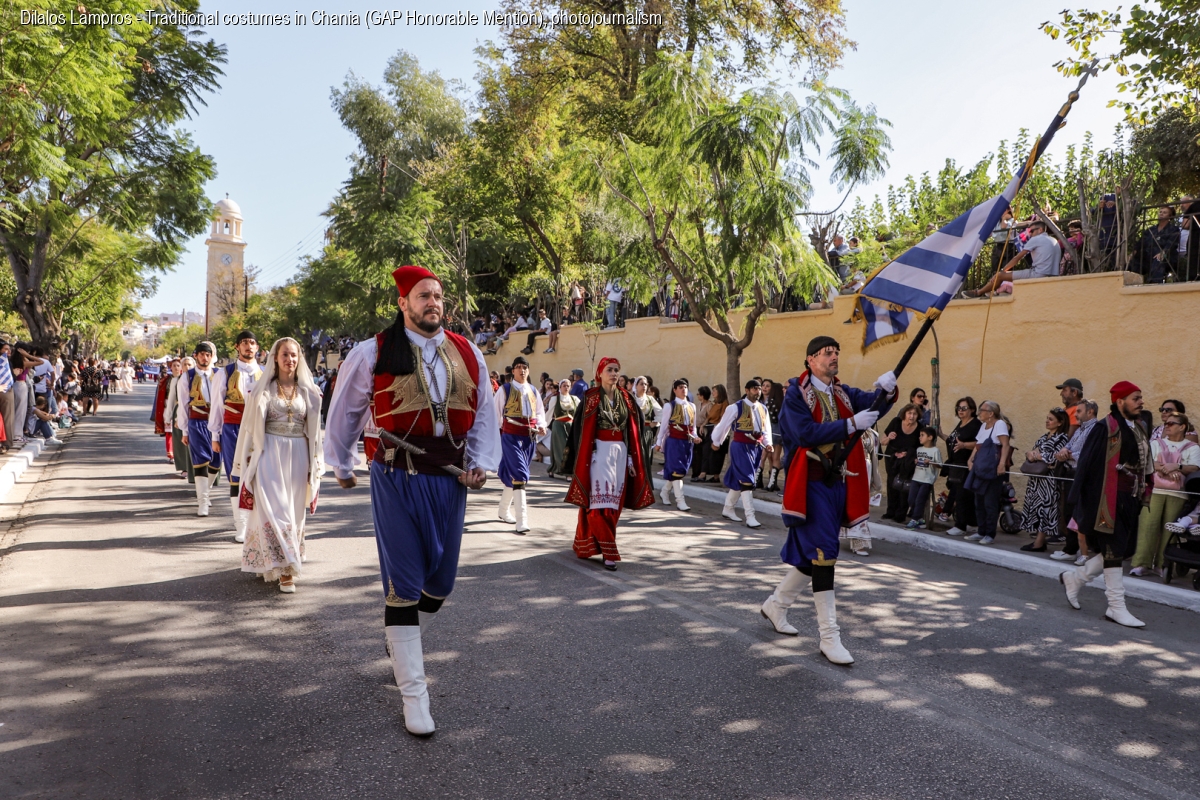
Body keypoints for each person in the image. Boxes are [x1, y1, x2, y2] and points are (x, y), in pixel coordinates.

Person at [324, 265, 499, 737]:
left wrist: (481, 462)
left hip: (451, 480)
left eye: (438, 295)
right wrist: (341, 463)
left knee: (438, 587)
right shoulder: (373, 352)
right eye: (424, 296)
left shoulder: (467, 352)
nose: (433, 303)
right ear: (403, 303)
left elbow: (484, 412)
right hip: (395, 476)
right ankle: (415, 696)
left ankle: (399, 635)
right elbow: (346, 409)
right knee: (403, 586)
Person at [759, 335, 897, 665]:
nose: (834, 357)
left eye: (836, 352)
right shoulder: (796, 394)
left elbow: (873, 405)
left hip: (837, 482)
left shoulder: (842, 392)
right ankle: (829, 636)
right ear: (810, 359)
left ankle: (776, 605)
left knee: (814, 554)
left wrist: (888, 390)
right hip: (809, 483)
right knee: (824, 554)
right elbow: (804, 433)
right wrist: (850, 424)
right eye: (827, 353)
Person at [232, 338, 324, 594]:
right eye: (285, 354)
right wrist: (247, 461)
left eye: (294, 355)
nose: (290, 359)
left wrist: (316, 464)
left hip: (299, 456)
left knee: (293, 513)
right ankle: (286, 570)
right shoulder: (262, 390)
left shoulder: (309, 391)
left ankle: (274, 559)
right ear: (275, 357)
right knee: (276, 510)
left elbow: (315, 433)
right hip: (269, 454)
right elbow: (249, 430)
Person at [1060, 382, 1154, 627]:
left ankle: (1076, 578)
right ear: (1120, 402)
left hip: (1131, 497)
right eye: (1135, 398)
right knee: (1113, 551)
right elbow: (1087, 463)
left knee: (1123, 549)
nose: (1141, 402)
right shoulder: (1105, 428)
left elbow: (1146, 463)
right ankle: (1116, 606)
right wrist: (1080, 502)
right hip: (1108, 499)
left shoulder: (1139, 426)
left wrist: (1146, 489)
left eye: (1140, 397)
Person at [564, 357, 655, 570]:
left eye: (616, 370)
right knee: (598, 504)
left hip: (620, 455)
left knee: (614, 505)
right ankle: (609, 551)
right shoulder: (590, 397)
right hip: (598, 454)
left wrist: (632, 456)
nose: (614, 373)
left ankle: (589, 543)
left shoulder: (627, 398)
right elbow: (580, 430)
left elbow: (634, 428)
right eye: (609, 370)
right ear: (600, 373)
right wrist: (587, 455)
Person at [209, 331, 263, 543]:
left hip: (258, 429)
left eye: (252, 342)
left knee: (259, 474)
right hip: (233, 429)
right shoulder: (225, 373)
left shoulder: (265, 373)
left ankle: (256, 521)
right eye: (244, 343)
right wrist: (215, 435)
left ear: (257, 347)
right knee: (236, 474)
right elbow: (216, 406)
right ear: (237, 347)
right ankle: (240, 524)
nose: (249, 346)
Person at [1130, 412, 1198, 577]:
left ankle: (1163, 564)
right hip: (1154, 490)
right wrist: (1166, 468)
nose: (1166, 426)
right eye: (1166, 423)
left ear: (1182, 427)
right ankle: (1141, 563)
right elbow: (1147, 461)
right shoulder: (1155, 443)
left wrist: (1176, 466)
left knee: (1170, 531)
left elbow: (1195, 467)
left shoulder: (1193, 447)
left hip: (1178, 493)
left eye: (1171, 423)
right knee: (1147, 526)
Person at [710, 379, 773, 528]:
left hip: (756, 448)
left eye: (759, 389)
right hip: (740, 447)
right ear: (747, 390)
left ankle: (728, 508)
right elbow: (723, 426)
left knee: (740, 479)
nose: (758, 391)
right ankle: (750, 516)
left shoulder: (763, 408)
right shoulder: (735, 407)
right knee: (747, 480)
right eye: (755, 389)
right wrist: (717, 441)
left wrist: (768, 443)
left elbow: (766, 429)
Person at [494, 356, 546, 535]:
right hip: (511, 437)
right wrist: (498, 436)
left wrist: (542, 426)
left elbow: (539, 412)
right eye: (518, 367)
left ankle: (503, 510)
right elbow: (496, 414)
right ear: (513, 370)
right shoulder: (505, 389)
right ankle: (522, 520)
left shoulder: (533, 390)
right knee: (520, 474)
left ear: (528, 370)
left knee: (514, 473)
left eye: (525, 367)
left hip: (529, 438)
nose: (522, 370)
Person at [1050, 399, 1099, 564]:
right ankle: (1072, 548)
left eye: (1079, 411)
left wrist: (1069, 455)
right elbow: (1068, 445)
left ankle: (1077, 550)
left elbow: (1089, 454)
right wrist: (1064, 451)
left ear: (1090, 412)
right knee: (1069, 511)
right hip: (1070, 472)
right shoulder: (1080, 429)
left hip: (1083, 475)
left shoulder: (1096, 429)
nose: (1076, 414)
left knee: (1078, 513)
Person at [1018, 408, 1071, 552]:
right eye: (1047, 418)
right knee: (1036, 508)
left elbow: (1055, 457)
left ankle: (1039, 542)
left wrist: (1036, 455)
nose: (1047, 421)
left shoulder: (1062, 438)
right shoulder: (1044, 437)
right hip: (1036, 479)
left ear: (1060, 422)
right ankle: (1038, 541)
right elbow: (1032, 452)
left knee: (1046, 509)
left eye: (1051, 419)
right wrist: (1033, 454)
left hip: (1049, 480)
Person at [177, 342, 220, 516]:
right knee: (201, 460)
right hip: (197, 421)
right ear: (196, 356)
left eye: (208, 354)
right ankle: (202, 502)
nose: (205, 358)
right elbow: (183, 405)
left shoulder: (220, 374)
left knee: (216, 461)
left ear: (212, 356)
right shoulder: (187, 377)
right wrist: (185, 430)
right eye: (201, 354)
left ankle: (206, 491)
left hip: (218, 422)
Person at [964, 220, 1061, 297]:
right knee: (1004, 275)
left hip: (1038, 274)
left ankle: (978, 292)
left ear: (1040, 230)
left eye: (1031, 231)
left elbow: (1017, 258)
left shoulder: (1036, 239)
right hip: (1054, 275)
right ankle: (992, 291)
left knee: (1000, 276)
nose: (1030, 234)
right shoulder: (1054, 240)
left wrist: (1002, 271)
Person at [963, 401, 1012, 545]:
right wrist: (971, 459)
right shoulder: (983, 426)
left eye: (982, 410)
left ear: (991, 413)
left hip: (992, 469)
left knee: (990, 502)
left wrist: (1001, 464)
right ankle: (981, 531)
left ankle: (990, 534)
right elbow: (978, 446)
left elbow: (1005, 445)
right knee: (978, 502)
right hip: (980, 468)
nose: (979, 413)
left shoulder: (999, 424)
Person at [655, 379, 701, 511]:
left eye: (685, 387)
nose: (683, 389)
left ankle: (665, 492)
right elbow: (664, 426)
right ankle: (680, 501)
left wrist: (696, 437)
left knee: (680, 471)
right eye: (680, 387)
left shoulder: (692, 406)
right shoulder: (669, 406)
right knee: (677, 470)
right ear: (674, 390)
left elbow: (693, 427)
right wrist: (659, 442)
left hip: (687, 442)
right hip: (674, 441)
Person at [941, 397, 981, 536]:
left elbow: (980, 443)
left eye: (964, 408)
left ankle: (961, 525)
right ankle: (970, 523)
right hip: (956, 465)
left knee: (962, 496)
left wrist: (964, 445)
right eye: (958, 408)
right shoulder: (961, 423)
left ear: (972, 409)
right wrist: (940, 434)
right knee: (959, 495)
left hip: (966, 465)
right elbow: (953, 441)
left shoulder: (976, 424)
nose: (960, 410)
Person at [881, 404, 921, 522]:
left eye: (914, 414)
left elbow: (920, 448)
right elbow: (883, 442)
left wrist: (907, 454)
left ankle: (900, 515)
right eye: (909, 413)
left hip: (907, 461)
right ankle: (890, 512)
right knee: (891, 484)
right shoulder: (896, 422)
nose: (912, 416)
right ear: (904, 414)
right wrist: (889, 438)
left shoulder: (920, 428)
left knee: (904, 486)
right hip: (892, 458)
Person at [163, 358, 195, 481]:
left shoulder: (199, 378)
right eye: (184, 364)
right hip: (179, 411)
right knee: (181, 441)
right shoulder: (176, 380)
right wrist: (169, 416)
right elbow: (171, 399)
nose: (187, 367)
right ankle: (184, 467)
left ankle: (196, 467)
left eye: (189, 364)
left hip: (195, 412)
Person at [906, 427, 942, 528]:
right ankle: (920, 519)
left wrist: (930, 462)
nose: (920, 437)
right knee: (911, 499)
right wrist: (916, 461)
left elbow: (940, 465)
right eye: (920, 435)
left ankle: (915, 519)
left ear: (930, 437)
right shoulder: (919, 449)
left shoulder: (935, 450)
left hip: (927, 480)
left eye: (922, 435)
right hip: (916, 477)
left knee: (920, 500)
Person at [1133, 205, 1179, 284]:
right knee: (1134, 262)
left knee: (1158, 260)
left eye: (1164, 212)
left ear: (1170, 216)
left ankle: (1154, 285)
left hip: (1166, 257)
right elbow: (1141, 242)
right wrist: (1134, 252)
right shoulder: (1151, 229)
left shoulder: (1173, 229)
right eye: (1160, 212)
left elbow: (1171, 244)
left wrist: (1163, 252)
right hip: (1148, 256)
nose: (1161, 214)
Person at [696, 384, 729, 483]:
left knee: (716, 454)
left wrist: (718, 430)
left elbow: (723, 419)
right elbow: (709, 417)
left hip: (717, 429)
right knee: (706, 451)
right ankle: (703, 474)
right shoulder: (714, 404)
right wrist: (703, 425)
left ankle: (715, 476)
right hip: (710, 428)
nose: (713, 393)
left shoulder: (724, 404)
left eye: (715, 391)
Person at [546, 379, 579, 479]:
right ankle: (566, 472)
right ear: (560, 387)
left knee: (571, 448)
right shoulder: (555, 399)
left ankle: (554, 469)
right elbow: (549, 413)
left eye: (568, 386)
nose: (566, 387)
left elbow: (580, 412)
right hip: (559, 425)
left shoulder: (574, 399)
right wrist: (543, 426)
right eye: (564, 385)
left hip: (571, 426)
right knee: (561, 448)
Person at [632, 376, 661, 480]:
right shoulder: (631, 398)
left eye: (645, 384)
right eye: (641, 384)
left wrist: (655, 422)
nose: (644, 386)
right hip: (633, 431)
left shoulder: (650, 399)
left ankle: (644, 481)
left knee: (644, 457)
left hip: (645, 432)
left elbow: (661, 412)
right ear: (636, 386)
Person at [760, 379, 784, 492]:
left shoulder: (769, 403)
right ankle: (772, 482)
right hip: (780, 432)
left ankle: (758, 480)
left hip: (771, 431)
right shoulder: (782, 403)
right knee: (775, 458)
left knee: (763, 456)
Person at [151, 361, 174, 463]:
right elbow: (160, 397)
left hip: (181, 409)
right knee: (170, 432)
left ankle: (181, 456)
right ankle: (171, 454)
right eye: (174, 366)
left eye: (178, 365)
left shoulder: (185, 379)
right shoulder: (165, 380)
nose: (176, 368)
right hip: (168, 408)